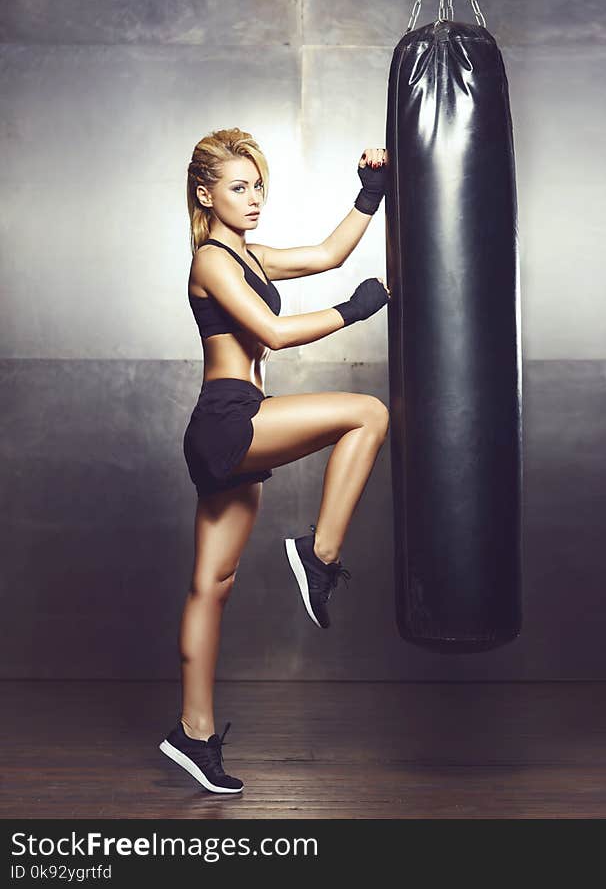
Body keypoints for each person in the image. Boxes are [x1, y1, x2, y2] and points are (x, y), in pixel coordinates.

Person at [158, 127, 391, 793]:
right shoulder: (210, 261)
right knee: (368, 413)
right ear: (206, 194)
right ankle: (318, 555)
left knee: (212, 586)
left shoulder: (251, 256)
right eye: (239, 186)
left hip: (232, 428)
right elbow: (274, 334)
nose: (254, 197)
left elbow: (325, 252)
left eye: (259, 184)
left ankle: (192, 734)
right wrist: (354, 311)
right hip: (231, 422)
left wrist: (369, 192)